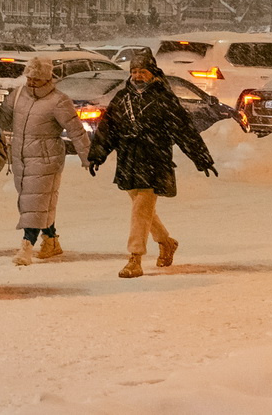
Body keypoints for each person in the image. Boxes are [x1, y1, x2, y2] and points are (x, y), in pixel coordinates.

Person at [89, 47, 216, 278]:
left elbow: (183, 130)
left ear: (153, 73)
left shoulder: (164, 99)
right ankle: (166, 242)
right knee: (143, 209)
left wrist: (201, 157)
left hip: (154, 159)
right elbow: (108, 129)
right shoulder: (122, 98)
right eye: (134, 71)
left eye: (142, 71)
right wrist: (97, 154)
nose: (138, 76)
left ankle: (134, 259)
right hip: (128, 160)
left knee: (141, 208)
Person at [0, 55, 91, 265]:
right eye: (29, 77)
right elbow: (1, 119)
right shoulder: (18, 95)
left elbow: (75, 130)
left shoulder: (58, 100)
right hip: (21, 158)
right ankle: (51, 240)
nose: (31, 82)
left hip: (46, 158)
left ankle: (26, 247)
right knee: (37, 203)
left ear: (47, 79)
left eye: (36, 79)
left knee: (35, 203)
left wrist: (87, 156)